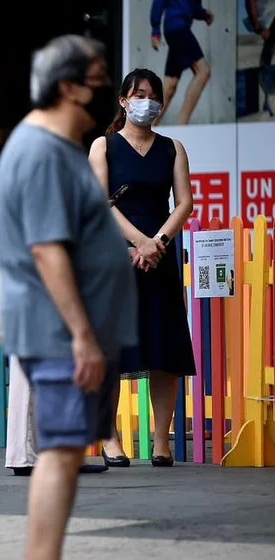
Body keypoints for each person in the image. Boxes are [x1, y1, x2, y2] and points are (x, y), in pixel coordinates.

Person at [0, 35, 136, 560]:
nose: (107, 89)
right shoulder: (43, 153)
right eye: (99, 78)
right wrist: (81, 334)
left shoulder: (57, 147)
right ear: (68, 86)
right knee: (57, 456)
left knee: (65, 457)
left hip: (69, 331)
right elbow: (49, 251)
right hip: (58, 332)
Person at [89, 68, 196, 468]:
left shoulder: (173, 147)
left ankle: (161, 441)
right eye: (138, 95)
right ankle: (111, 439)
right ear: (123, 100)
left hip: (160, 257)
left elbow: (184, 202)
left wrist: (158, 243)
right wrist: (139, 241)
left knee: (163, 349)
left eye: (153, 96)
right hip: (116, 256)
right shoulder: (104, 146)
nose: (145, 102)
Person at [150, 0, 214, 125]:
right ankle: (182, 125)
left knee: (170, 84)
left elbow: (193, 7)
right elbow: (159, 2)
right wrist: (155, 30)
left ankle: (147, 128)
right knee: (203, 71)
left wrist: (204, 14)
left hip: (176, 29)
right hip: (179, 29)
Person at [246, 0, 275, 116]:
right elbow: (249, 2)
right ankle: (269, 97)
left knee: (267, 57)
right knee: (266, 58)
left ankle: (268, 98)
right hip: (267, 21)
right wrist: (257, 25)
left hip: (269, 20)